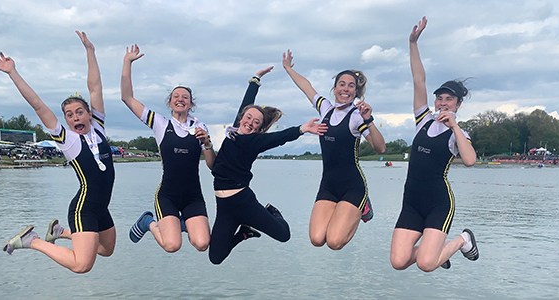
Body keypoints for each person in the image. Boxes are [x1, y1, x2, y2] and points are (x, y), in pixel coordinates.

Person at [0, 31, 116, 274]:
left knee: (106, 249)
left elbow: (95, 88)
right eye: (69, 115)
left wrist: (90, 52)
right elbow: (38, 105)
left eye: (79, 112)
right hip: (85, 207)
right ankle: (33, 240)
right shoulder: (68, 139)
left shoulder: (99, 128)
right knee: (82, 265)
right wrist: (13, 73)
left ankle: (60, 233)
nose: (75, 117)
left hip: (103, 207)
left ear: (89, 114)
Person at [208, 67, 328, 264]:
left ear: (258, 128)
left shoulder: (254, 141)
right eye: (248, 118)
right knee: (216, 258)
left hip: (243, 202)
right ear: (241, 118)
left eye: (256, 122)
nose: (250, 122)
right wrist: (256, 79)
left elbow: (278, 138)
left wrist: (302, 129)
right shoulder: (232, 132)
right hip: (224, 206)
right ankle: (245, 233)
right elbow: (246, 103)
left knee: (284, 235)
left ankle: (272, 211)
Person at [390, 17, 479, 272]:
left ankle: (463, 240)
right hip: (412, 201)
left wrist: (454, 126)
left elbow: (470, 160)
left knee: (426, 264)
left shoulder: (458, 133)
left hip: (439, 202)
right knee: (398, 262)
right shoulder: (423, 120)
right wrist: (413, 44)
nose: (442, 103)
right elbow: (419, 80)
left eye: (448, 99)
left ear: (458, 104)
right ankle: (437, 251)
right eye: (439, 98)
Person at [283, 51, 386, 250]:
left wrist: (368, 120)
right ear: (335, 88)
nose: (346, 89)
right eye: (342, 84)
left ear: (356, 92)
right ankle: (349, 212)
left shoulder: (356, 116)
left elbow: (379, 147)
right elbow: (306, 87)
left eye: (351, 86)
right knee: (317, 239)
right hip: (328, 185)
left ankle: (363, 208)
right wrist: (288, 69)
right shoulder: (326, 109)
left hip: (353, 186)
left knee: (335, 242)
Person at [122, 44, 214, 253]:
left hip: (193, 195)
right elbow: (127, 98)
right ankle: (149, 223)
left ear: (191, 104)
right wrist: (127, 62)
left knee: (202, 244)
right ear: (170, 103)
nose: (180, 99)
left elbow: (212, 165)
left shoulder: (200, 127)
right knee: (172, 245)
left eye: (185, 97)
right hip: (168, 195)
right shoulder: (161, 123)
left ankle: (179, 224)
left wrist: (207, 144)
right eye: (176, 96)